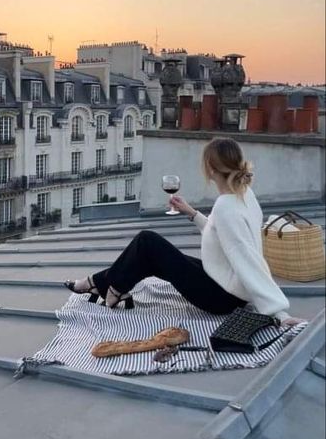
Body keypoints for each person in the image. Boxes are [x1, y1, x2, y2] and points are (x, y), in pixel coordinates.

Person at [65, 137, 302, 326]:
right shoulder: (244, 195)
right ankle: (101, 284)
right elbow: (223, 236)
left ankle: (107, 286)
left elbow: (247, 258)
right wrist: (192, 213)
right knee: (150, 257)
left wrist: (278, 313)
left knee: (147, 241)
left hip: (221, 298)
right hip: (227, 285)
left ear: (210, 169)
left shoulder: (226, 206)